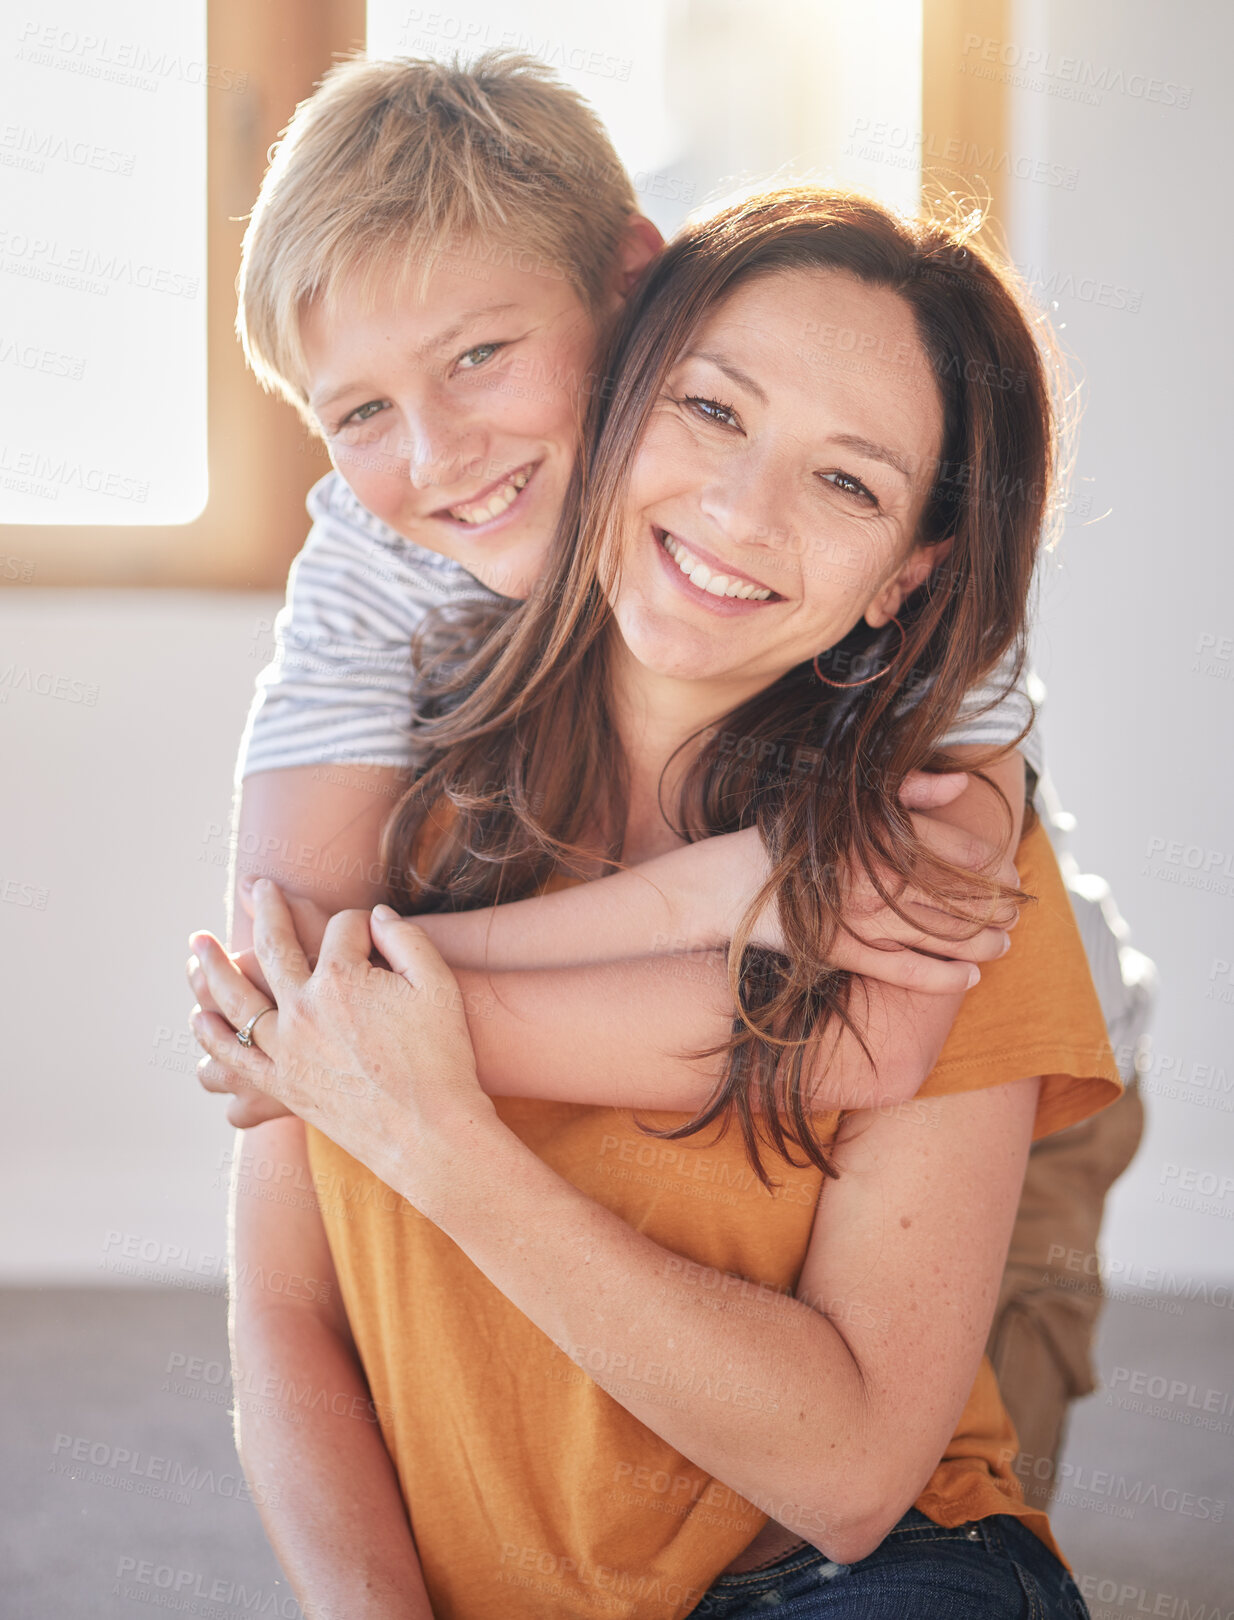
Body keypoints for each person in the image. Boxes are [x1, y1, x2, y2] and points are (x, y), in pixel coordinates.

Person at [214, 50, 1148, 1510]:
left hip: (985, 1051)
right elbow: (285, 1006)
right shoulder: (373, 571)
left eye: (478, 357)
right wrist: (712, 890)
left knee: (930, 1483)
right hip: (703, 985)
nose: (441, 451)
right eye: (358, 414)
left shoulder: (857, 548)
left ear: (633, 288)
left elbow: (881, 1034)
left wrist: (379, 1039)